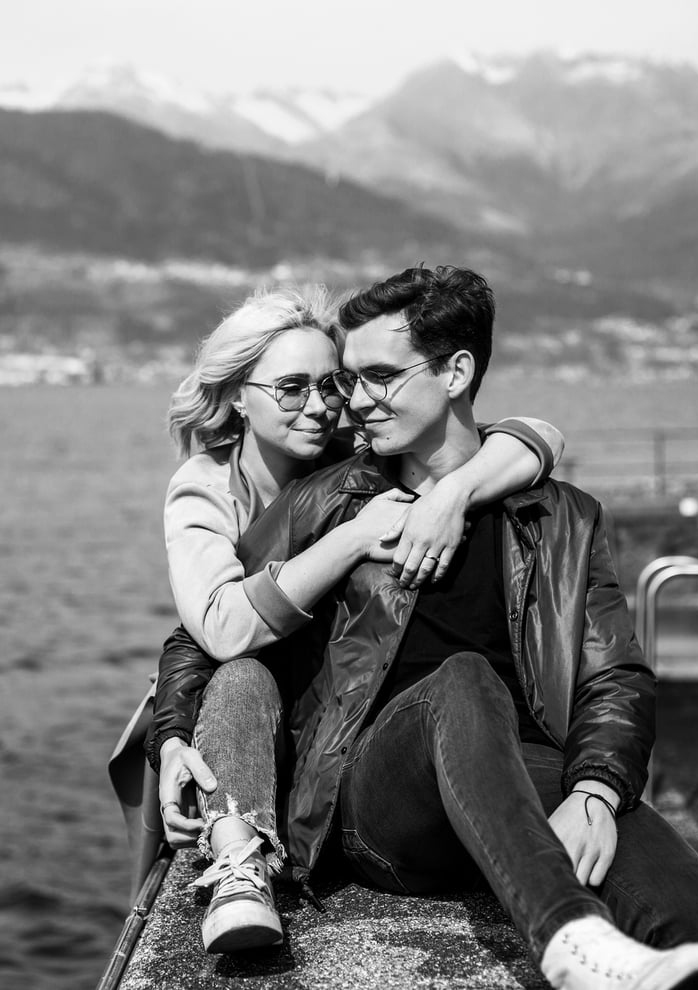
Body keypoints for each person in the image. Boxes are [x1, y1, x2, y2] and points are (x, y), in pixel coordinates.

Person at [147, 265, 698, 990]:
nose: (351, 404)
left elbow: (613, 673)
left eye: (378, 377)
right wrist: (171, 734)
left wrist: (596, 793)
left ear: (457, 371)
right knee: (462, 681)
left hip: (523, 774)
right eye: (349, 379)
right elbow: (207, 630)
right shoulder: (329, 499)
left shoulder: (561, 516)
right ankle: (566, 937)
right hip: (379, 796)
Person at [128, 283, 563, 933]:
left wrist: (454, 495)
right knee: (243, 675)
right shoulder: (207, 487)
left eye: (331, 385)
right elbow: (211, 629)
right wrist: (168, 738)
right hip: (238, 712)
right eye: (291, 388)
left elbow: (538, 436)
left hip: (326, 728)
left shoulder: (354, 459)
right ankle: (239, 865)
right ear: (238, 397)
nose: (321, 407)